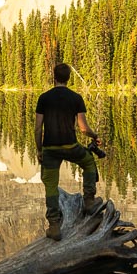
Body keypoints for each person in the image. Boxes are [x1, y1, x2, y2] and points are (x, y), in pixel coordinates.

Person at [34, 63, 103, 240]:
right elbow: (82, 128)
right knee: (88, 162)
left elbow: (37, 129)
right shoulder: (76, 98)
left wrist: (39, 150)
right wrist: (94, 136)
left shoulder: (43, 98)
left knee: (50, 185)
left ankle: (54, 227)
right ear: (68, 78)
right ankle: (89, 201)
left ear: (54, 77)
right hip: (71, 146)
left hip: (50, 148)